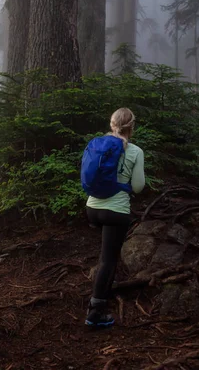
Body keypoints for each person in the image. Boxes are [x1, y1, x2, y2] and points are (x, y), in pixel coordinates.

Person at [84, 107, 145, 327]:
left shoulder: (98, 145)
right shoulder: (135, 151)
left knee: (105, 257)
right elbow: (138, 187)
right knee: (108, 260)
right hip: (115, 212)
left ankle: (102, 292)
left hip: (92, 207)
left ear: (112, 124)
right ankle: (95, 312)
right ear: (132, 126)